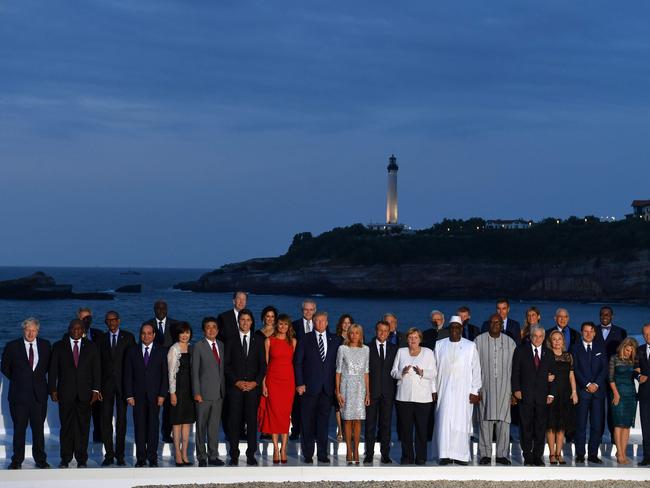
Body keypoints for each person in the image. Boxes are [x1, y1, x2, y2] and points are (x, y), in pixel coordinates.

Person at [49, 319, 101, 468]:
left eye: (79, 329)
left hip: (85, 394)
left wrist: (96, 390)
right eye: (73, 328)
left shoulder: (91, 346)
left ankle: (81, 459)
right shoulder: (59, 346)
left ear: (83, 330)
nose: (76, 331)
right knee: (66, 427)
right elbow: (53, 370)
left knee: (83, 428)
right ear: (69, 329)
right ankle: (65, 458)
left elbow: (96, 369)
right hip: (65, 393)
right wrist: (52, 389)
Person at [1, 317, 52, 469]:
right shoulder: (12, 346)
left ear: (38, 331)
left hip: (39, 396)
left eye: (33, 330)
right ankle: (17, 460)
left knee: (38, 430)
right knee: (19, 430)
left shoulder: (45, 345)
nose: (31, 333)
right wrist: (19, 379)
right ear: (23, 330)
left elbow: (48, 367)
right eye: (28, 330)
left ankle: (40, 460)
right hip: (19, 396)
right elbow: (5, 367)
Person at [294, 310, 342, 464]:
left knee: (323, 424)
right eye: (317, 321)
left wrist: (338, 387)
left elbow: (339, 366)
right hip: (308, 388)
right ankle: (308, 454)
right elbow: (298, 362)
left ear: (327, 323)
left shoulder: (336, 340)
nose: (320, 323)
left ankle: (322, 454)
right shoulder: (305, 338)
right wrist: (300, 383)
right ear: (313, 323)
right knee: (307, 422)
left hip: (327, 389)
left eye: (323, 321)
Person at [434, 317, 481, 466]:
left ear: (461, 329)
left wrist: (475, 391)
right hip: (444, 390)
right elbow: (434, 369)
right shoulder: (440, 345)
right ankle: (445, 454)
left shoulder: (470, 346)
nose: (454, 330)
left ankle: (460, 455)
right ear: (449, 329)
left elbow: (476, 370)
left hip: (464, 392)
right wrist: (433, 389)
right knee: (444, 421)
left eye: (457, 328)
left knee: (461, 422)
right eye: (452, 327)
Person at [224, 308, 266, 466]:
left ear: (252, 322)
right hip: (235, 388)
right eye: (243, 320)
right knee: (234, 422)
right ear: (238, 321)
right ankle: (234, 455)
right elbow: (226, 365)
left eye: (248, 320)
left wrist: (255, 382)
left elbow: (263, 365)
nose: (245, 323)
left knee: (251, 422)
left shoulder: (258, 340)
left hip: (253, 389)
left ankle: (251, 454)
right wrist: (236, 382)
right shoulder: (231, 340)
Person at [124, 323, 168, 467]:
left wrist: (162, 394)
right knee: (140, 427)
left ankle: (152, 457)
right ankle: (141, 458)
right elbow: (128, 375)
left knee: (153, 427)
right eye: (143, 333)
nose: (146, 336)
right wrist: (129, 395)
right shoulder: (132, 351)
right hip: (137, 396)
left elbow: (164, 375)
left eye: (149, 333)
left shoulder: (161, 351)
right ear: (140, 334)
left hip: (155, 396)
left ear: (154, 335)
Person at [391, 327, 437, 465]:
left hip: (423, 398)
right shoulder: (401, 352)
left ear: (420, 339)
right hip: (403, 397)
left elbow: (434, 372)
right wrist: (401, 373)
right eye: (410, 337)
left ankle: (421, 457)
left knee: (422, 429)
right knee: (406, 429)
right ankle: (407, 457)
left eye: (416, 337)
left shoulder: (428, 353)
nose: (413, 340)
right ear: (407, 339)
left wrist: (423, 373)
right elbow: (393, 372)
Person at [475, 314, 516, 466]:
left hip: (505, 388)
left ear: (502, 325)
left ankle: (502, 454)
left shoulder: (510, 342)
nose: (495, 324)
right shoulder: (479, 341)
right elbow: (473, 367)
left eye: (497, 322)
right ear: (488, 324)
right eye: (492, 322)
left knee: (503, 422)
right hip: (484, 388)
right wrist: (475, 390)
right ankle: (485, 454)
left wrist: (514, 392)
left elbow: (514, 368)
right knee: (485, 421)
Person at [98, 311, 135, 466]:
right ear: (106, 323)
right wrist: (96, 388)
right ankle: (108, 455)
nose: (111, 323)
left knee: (121, 421)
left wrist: (132, 387)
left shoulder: (128, 337)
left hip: (123, 385)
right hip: (105, 387)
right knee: (105, 421)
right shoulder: (101, 339)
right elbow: (97, 365)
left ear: (119, 321)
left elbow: (133, 363)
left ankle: (120, 455)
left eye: (114, 320)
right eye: (108, 320)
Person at [259, 313, 296, 464]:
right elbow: (265, 364)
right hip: (273, 381)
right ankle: (275, 448)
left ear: (289, 327)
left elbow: (292, 362)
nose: (282, 327)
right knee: (274, 414)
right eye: (280, 324)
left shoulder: (293, 342)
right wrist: (264, 384)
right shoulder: (269, 341)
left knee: (285, 415)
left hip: (288, 382)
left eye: (285, 324)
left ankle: (284, 448)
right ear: (276, 325)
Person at [571, 321, 607, 464]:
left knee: (597, 425)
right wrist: (586, 384)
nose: (588, 334)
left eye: (591, 331)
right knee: (580, 424)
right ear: (581, 332)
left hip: (598, 392)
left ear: (595, 333)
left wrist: (596, 384)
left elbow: (604, 368)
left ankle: (593, 454)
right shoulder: (575, 348)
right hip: (582, 391)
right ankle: (580, 454)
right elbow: (575, 369)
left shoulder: (600, 347)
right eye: (585, 331)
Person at [191, 316, 226, 467]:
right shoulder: (198, 346)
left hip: (218, 394)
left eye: (214, 327)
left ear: (218, 330)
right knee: (201, 427)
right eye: (208, 327)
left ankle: (213, 455)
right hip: (203, 394)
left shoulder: (221, 345)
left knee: (213, 428)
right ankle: (201, 457)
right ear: (204, 330)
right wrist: (196, 392)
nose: (211, 329)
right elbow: (195, 372)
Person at [335, 324, 370, 465]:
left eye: (357, 333)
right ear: (348, 334)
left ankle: (356, 450)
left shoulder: (366, 349)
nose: (354, 335)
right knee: (348, 419)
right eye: (352, 333)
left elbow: (366, 372)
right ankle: (349, 449)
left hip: (360, 386)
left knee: (358, 419)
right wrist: (337, 391)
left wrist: (368, 393)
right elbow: (338, 372)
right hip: (346, 385)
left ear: (361, 335)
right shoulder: (342, 349)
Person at [146, 299, 179, 443]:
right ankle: (150, 434)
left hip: (170, 370)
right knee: (153, 406)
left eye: (163, 308)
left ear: (167, 309)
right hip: (153, 372)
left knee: (168, 407)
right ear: (154, 310)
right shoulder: (147, 325)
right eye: (158, 308)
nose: (161, 311)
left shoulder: (175, 324)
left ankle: (166, 433)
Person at [364, 320, 397, 464]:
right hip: (371, 392)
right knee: (370, 425)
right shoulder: (367, 348)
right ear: (375, 331)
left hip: (388, 393)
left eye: (386, 331)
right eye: (380, 330)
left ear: (389, 332)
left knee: (386, 425)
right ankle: (369, 454)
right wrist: (366, 392)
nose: (383, 333)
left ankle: (385, 454)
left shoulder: (395, 349)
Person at [596, 305, 628, 442]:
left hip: (614, 377)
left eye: (607, 314)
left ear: (612, 316)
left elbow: (625, 354)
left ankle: (615, 441)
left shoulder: (621, 332)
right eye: (602, 314)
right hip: (596, 376)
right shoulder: (593, 330)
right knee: (598, 410)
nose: (604, 316)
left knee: (614, 408)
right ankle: (597, 439)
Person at [546, 329, 578, 465]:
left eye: (559, 339)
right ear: (550, 341)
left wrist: (574, 392)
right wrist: (546, 377)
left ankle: (559, 453)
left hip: (565, 393)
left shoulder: (568, 356)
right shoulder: (547, 355)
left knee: (562, 425)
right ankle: (552, 454)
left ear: (563, 341)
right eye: (554, 339)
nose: (557, 341)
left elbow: (571, 375)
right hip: (551, 394)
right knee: (551, 425)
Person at [168, 322, 196, 466]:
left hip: (190, 390)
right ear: (178, 334)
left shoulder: (192, 347)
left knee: (187, 423)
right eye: (182, 333)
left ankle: (185, 453)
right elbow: (171, 373)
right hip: (178, 390)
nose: (185, 335)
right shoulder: (174, 349)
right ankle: (177, 454)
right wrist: (172, 393)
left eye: (187, 332)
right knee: (177, 423)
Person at [609, 337, 639, 464]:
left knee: (626, 425)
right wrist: (616, 394)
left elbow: (638, 375)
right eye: (627, 350)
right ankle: (619, 453)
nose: (629, 353)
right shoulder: (614, 358)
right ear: (623, 348)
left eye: (631, 351)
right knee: (618, 425)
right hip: (618, 393)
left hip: (631, 395)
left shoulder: (634, 361)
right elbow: (610, 378)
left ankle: (623, 452)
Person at [76, 307, 104, 444]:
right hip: (79, 383)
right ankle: (81, 440)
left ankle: (98, 438)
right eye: (83, 318)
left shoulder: (99, 334)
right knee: (80, 414)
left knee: (98, 413)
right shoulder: (71, 334)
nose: (86, 321)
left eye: (89, 318)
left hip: (96, 381)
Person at [290, 298, 317, 440]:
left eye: (311, 309)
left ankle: (310, 431)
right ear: (302, 311)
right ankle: (295, 430)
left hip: (313, 370)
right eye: (306, 309)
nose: (308, 312)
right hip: (297, 368)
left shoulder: (320, 325)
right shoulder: (294, 326)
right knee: (297, 403)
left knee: (312, 402)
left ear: (315, 311)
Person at [255, 306, 277, 441]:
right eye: (267, 316)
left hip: (275, 370)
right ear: (263, 317)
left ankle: (274, 428)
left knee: (274, 401)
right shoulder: (257, 333)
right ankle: (264, 429)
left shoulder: (279, 333)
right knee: (262, 401)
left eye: (272, 316)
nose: (270, 319)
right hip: (260, 369)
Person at [335, 313, 354, 441]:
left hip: (351, 376)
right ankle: (340, 430)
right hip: (338, 374)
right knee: (339, 404)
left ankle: (351, 430)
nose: (346, 325)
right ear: (341, 324)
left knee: (351, 403)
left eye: (349, 323)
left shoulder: (355, 339)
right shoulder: (335, 339)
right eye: (344, 322)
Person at [637, 323, 650, 466]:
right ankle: (647, 456)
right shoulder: (639, 350)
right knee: (646, 427)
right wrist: (637, 376)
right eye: (645, 334)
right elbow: (635, 368)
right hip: (645, 394)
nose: (648, 337)